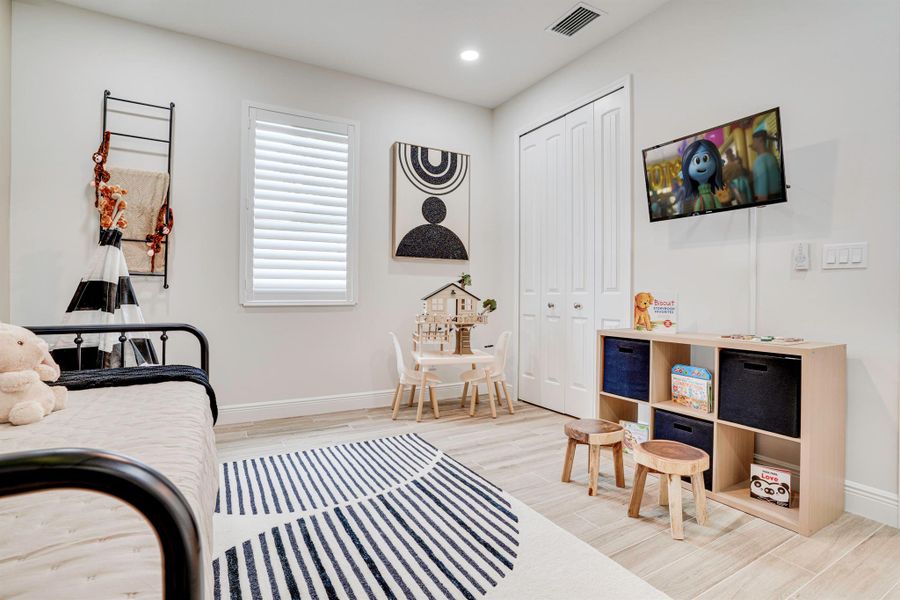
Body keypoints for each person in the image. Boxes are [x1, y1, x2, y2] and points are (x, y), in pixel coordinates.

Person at [750, 129, 783, 202]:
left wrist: (760, 201)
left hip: (767, 199)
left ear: (760, 140)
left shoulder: (760, 160)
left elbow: (763, 182)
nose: (752, 143)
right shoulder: (772, 157)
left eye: (754, 141)